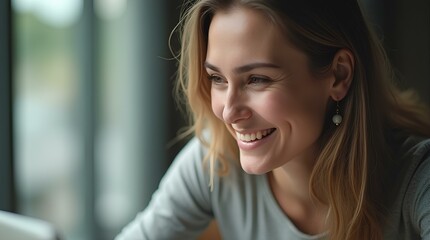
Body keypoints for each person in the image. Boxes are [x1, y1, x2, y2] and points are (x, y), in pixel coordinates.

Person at [116, 0, 430, 239]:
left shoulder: (417, 178)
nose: (229, 111)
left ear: (338, 75)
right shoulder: (214, 160)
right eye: (217, 78)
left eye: (257, 79)